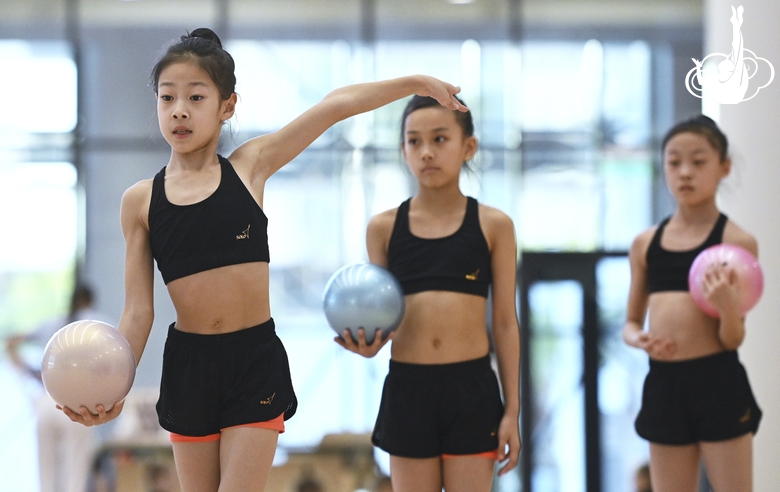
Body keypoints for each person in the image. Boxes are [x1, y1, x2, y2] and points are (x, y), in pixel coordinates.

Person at [59, 27, 465, 492]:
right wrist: (110, 387)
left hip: (253, 360)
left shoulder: (250, 167)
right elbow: (138, 311)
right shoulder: (140, 201)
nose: (179, 110)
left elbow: (335, 106)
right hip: (189, 367)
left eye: (196, 97)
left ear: (227, 106)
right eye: (167, 98)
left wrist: (414, 83)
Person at [336, 95, 521, 492]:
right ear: (403, 150)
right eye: (414, 142)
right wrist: (371, 343)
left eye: (439, 139)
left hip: (472, 389)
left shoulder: (494, 226)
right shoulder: (383, 228)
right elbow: (380, 314)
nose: (426, 153)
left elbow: (505, 322)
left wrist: (512, 412)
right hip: (408, 390)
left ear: (467, 147)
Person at [622, 115, 762, 492]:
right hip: (665, 385)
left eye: (698, 162)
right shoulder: (645, 244)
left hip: (718, 381)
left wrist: (728, 308)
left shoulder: (737, 243)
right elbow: (630, 323)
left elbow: (733, 339)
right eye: (674, 162)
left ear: (724, 167)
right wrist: (640, 340)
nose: (685, 172)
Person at [5, 283, 111, 492]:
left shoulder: (53, 323)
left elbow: (11, 343)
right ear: (90, 300)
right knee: (75, 475)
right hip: (81, 404)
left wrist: (30, 374)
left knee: (46, 474)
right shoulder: (100, 324)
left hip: (47, 402)